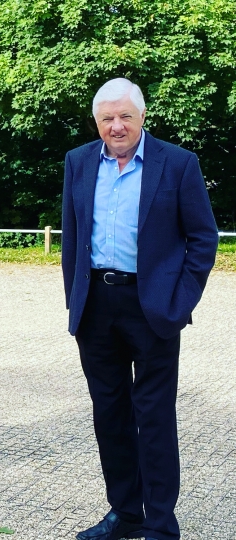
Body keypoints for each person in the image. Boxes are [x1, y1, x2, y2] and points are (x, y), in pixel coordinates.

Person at [62, 78, 218, 540]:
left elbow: (202, 240)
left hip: (153, 308)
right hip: (96, 307)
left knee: (152, 415)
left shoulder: (178, 163)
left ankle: (160, 525)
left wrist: (179, 301)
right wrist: (75, 301)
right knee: (109, 414)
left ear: (142, 116)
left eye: (124, 116)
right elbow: (73, 239)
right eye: (107, 118)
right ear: (96, 122)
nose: (116, 126)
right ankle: (125, 513)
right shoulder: (79, 162)